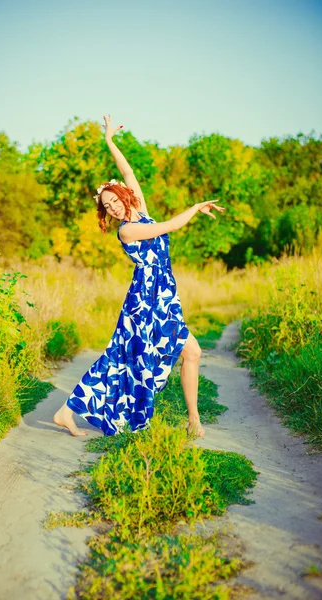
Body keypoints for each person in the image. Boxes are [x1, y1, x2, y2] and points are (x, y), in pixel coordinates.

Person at [53, 114, 225, 437]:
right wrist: (195, 207)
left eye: (114, 200)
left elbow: (127, 171)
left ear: (122, 196)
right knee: (127, 356)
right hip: (145, 301)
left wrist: (109, 142)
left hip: (163, 297)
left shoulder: (141, 211)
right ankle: (68, 410)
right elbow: (172, 226)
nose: (113, 207)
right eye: (107, 206)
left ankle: (193, 420)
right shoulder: (128, 230)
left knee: (187, 352)